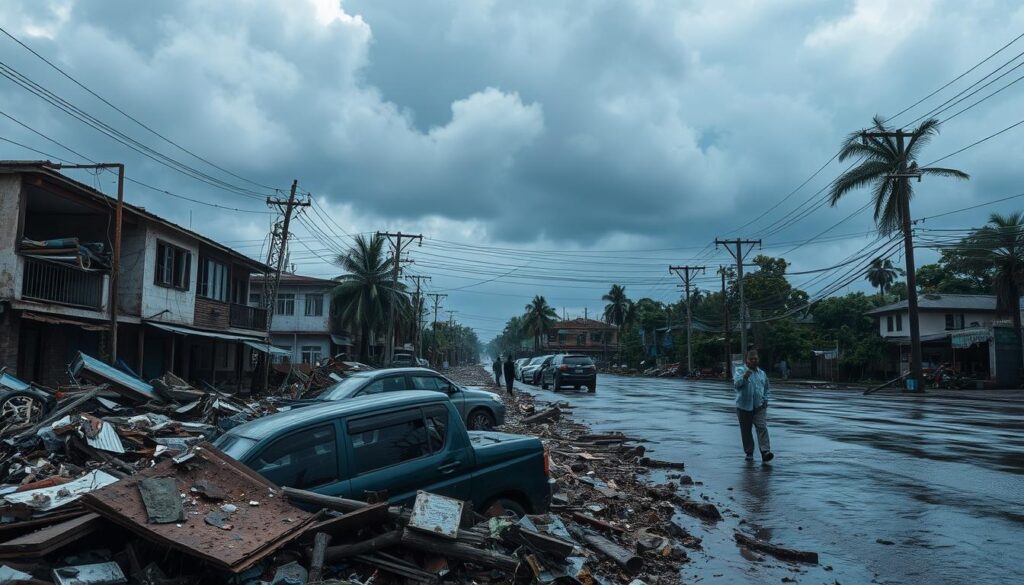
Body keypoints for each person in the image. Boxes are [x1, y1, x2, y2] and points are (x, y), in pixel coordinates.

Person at [734, 349, 774, 462]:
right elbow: (737, 385)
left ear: (758, 360)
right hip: (744, 406)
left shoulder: (762, 373)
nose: (753, 361)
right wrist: (745, 377)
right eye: (751, 359)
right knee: (746, 431)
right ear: (746, 360)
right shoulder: (740, 370)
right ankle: (749, 452)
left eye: (755, 359)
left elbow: (766, 388)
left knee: (762, 427)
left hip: (759, 407)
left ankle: (765, 451)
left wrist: (765, 399)